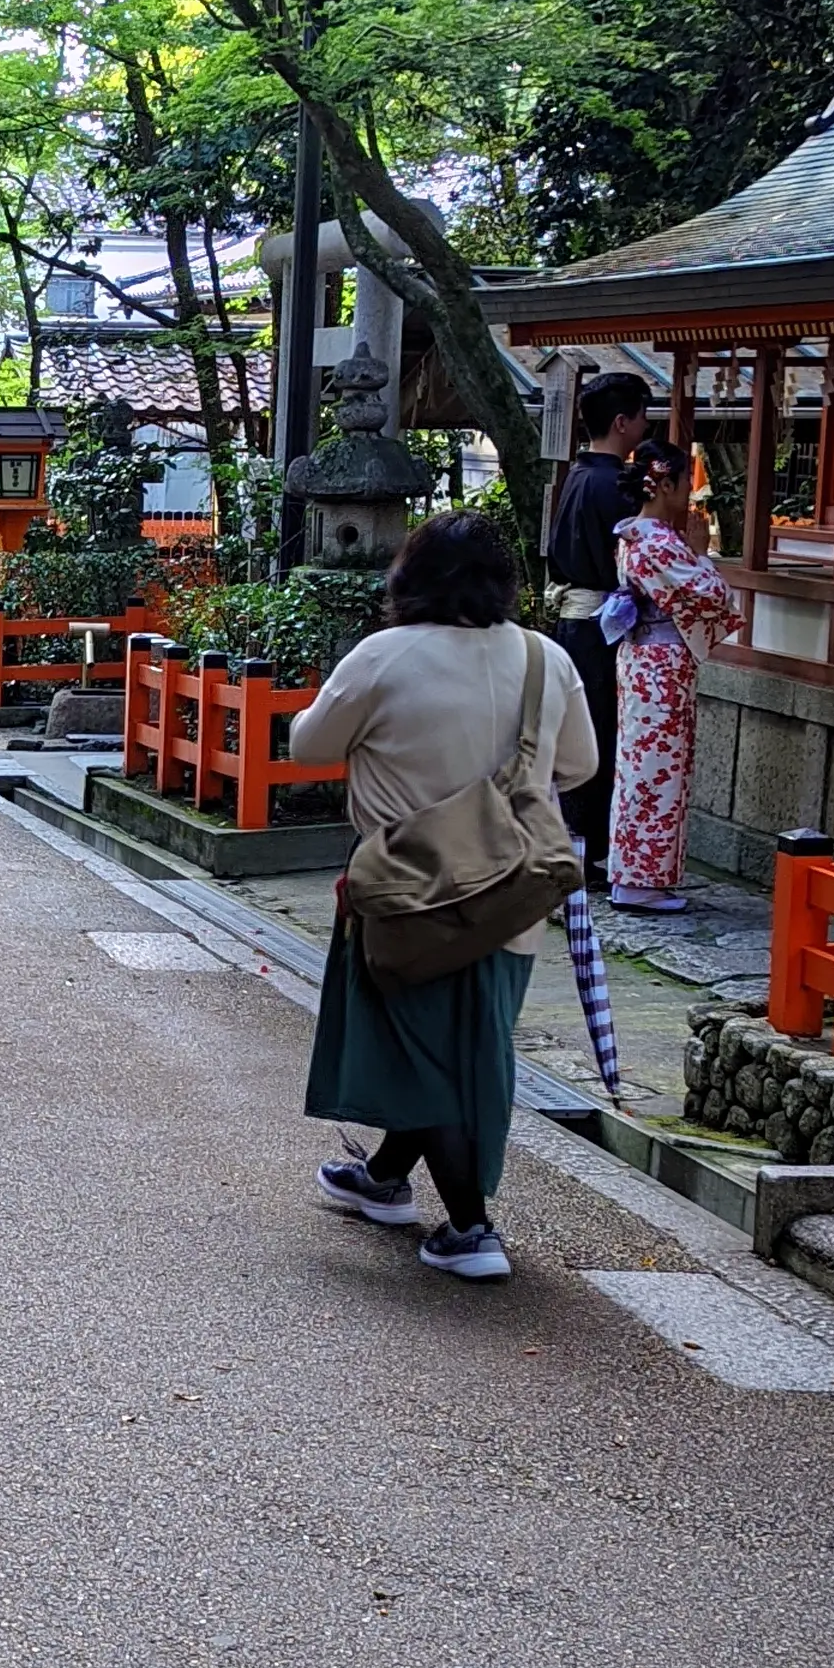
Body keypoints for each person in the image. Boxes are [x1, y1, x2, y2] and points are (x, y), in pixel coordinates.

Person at [288, 508, 598, 1284]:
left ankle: (470, 1226)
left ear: (410, 577)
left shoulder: (384, 656)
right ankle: (386, 1179)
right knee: (465, 1047)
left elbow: (309, 746)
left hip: (407, 892)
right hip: (508, 898)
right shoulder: (544, 659)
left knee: (416, 1052)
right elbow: (581, 765)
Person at [604, 434, 744, 908]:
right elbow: (713, 596)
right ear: (665, 484)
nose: (689, 489)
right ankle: (641, 881)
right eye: (685, 480)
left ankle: (639, 875)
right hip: (659, 666)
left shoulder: (636, 537)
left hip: (646, 661)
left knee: (643, 767)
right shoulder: (658, 542)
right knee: (656, 769)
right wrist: (703, 553)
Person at [541, 369, 655, 885]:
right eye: (643, 416)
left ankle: (575, 843)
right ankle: (586, 849)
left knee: (580, 731)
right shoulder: (614, 486)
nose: (645, 425)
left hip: (576, 622)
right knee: (599, 737)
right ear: (621, 421)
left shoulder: (579, 477)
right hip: (599, 626)